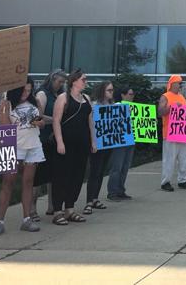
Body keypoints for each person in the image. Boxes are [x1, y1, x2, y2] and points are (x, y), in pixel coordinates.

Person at [0, 77, 44, 237]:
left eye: (29, 90)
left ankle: (26, 218)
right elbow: (3, 128)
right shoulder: (8, 103)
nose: (26, 94)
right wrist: (4, 111)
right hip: (15, 146)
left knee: (28, 182)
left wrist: (39, 122)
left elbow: (41, 119)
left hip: (33, 145)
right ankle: (0, 221)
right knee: (8, 182)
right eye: (23, 90)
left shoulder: (35, 103)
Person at [50, 69, 96, 226]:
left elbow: (90, 121)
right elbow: (56, 121)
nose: (85, 82)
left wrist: (93, 141)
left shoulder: (86, 98)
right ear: (74, 81)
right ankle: (57, 210)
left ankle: (70, 207)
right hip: (66, 143)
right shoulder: (63, 98)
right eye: (83, 79)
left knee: (77, 176)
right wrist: (60, 141)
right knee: (62, 175)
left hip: (82, 144)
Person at [34, 69, 67, 219]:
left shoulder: (59, 95)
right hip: (42, 137)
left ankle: (52, 205)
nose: (61, 85)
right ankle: (32, 208)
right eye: (59, 82)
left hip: (54, 138)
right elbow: (38, 115)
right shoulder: (42, 94)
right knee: (38, 176)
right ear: (52, 79)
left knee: (53, 174)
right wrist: (55, 120)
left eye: (63, 83)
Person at [84, 81, 114, 215]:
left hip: (108, 143)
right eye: (109, 90)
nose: (111, 92)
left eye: (112, 90)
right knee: (94, 172)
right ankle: (89, 201)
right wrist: (92, 142)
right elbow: (90, 125)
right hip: (97, 143)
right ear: (103, 91)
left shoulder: (112, 106)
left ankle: (95, 198)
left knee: (101, 171)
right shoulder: (94, 105)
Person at [160, 75, 186, 191]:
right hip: (169, 133)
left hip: (183, 133)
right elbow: (161, 112)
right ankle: (165, 182)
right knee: (169, 159)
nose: (180, 85)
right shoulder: (165, 96)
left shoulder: (182, 97)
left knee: (184, 158)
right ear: (172, 84)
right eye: (179, 83)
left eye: (181, 83)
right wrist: (171, 107)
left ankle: (183, 180)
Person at [107, 87, 137, 201]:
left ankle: (120, 190)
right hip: (119, 142)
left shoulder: (134, 108)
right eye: (130, 94)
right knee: (117, 167)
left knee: (125, 167)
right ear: (123, 95)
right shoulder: (117, 106)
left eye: (133, 94)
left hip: (130, 140)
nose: (132, 96)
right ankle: (112, 192)